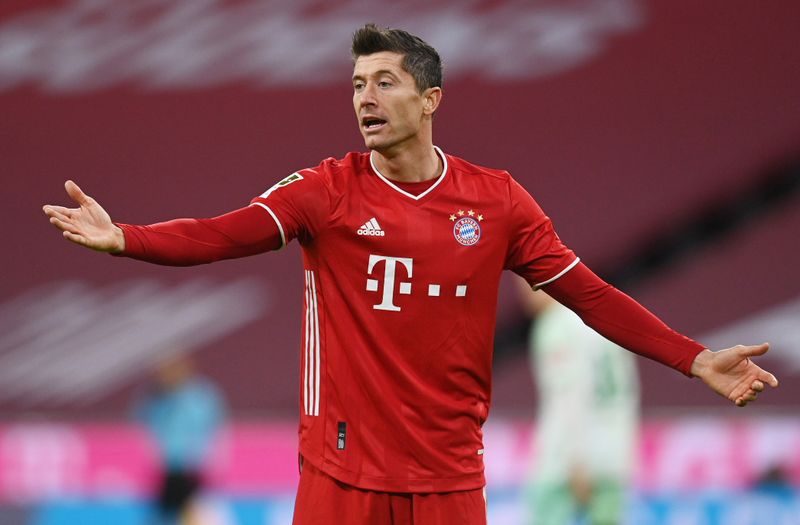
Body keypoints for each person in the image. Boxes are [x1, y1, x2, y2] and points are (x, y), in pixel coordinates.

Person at [43, 23, 778, 525]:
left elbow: (586, 292)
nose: (364, 97)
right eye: (358, 83)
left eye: (385, 82)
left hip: (448, 479)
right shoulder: (323, 191)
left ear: (429, 100)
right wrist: (127, 238)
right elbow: (220, 235)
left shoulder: (497, 201)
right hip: (339, 475)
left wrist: (693, 357)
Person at [518, 282, 639, 525]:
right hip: (613, 456)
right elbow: (629, 391)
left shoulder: (556, 324)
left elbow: (568, 395)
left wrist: (576, 458)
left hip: (565, 463)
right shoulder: (603, 317)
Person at [134, 354, 225, 525]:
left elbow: (212, 429)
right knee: (166, 513)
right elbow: (145, 428)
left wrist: (209, 460)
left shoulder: (200, 396)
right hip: (167, 469)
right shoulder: (155, 398)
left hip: (192, 467)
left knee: (197, 511)